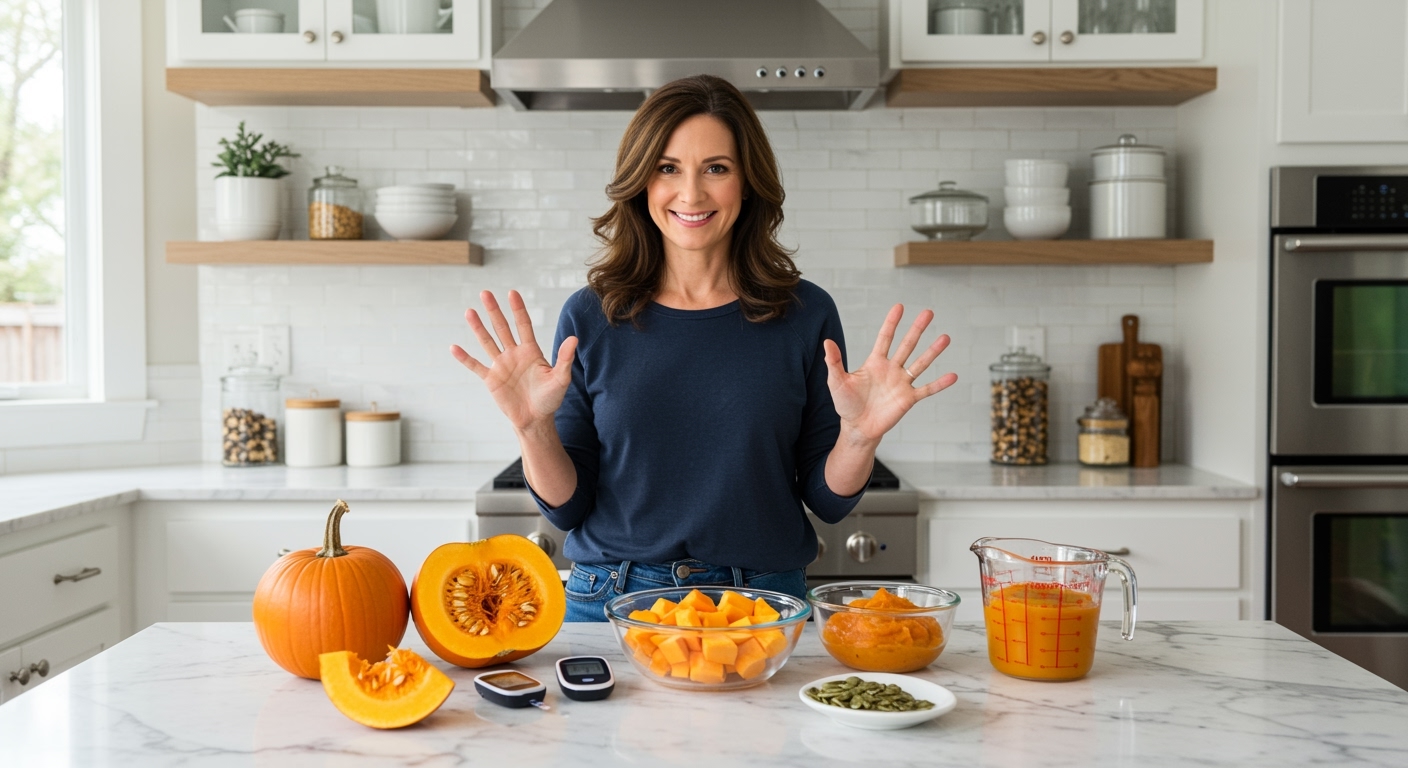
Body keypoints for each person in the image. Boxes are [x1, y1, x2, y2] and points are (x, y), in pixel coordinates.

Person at [451, 75, 956, 622]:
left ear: (747, 181)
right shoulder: (593, 314)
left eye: (716, 168)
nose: (691, 194)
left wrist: (859, 438)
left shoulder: (805, 313)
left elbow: (828, 503)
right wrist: (532, 428)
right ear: (642, 182)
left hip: (763, 603)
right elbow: (569, 506)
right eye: (668, 168)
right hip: (612, 600)